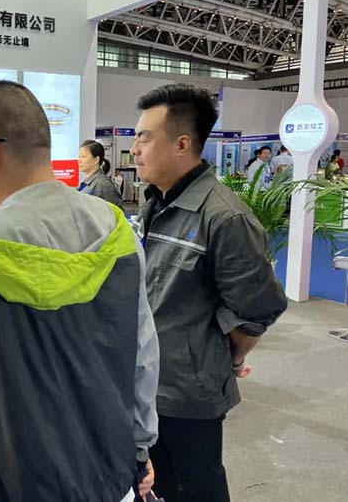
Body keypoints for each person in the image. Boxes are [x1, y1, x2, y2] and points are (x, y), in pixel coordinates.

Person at [0, 81, 160, 502]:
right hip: (105, 467)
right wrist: (140, 445)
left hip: (8, 474)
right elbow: (143, 354)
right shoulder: (118, 231)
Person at [130, 84, 287, 502]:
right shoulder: (156, 203)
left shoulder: (225, 218)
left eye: (144, 138)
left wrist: (226, 359)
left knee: (194, 487)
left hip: (187, 396)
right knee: (152, 485)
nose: (134, 149)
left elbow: (257, 311)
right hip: (146, 384)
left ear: (182, 144)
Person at [78, 140, 124, 208]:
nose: (79, 161)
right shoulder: (90, 181)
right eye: (79, 157)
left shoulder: (103, 184)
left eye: (83, 156)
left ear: (96, 160)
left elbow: (117, 211)